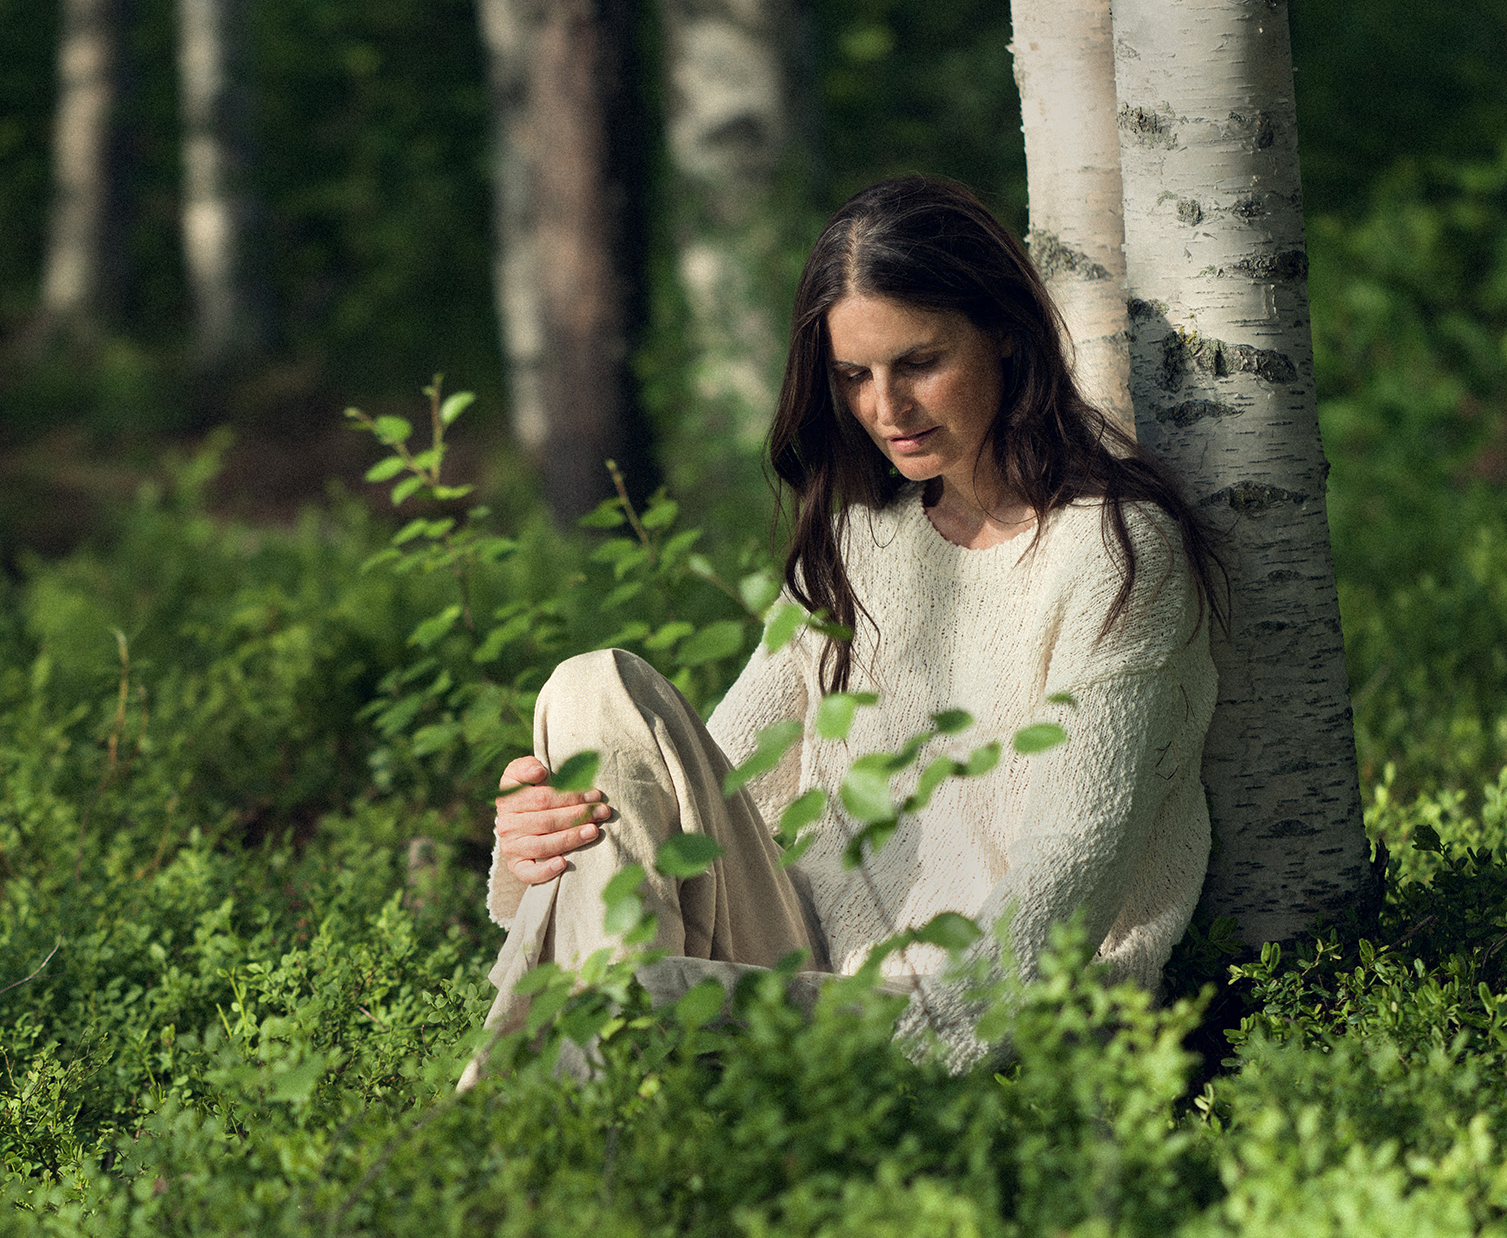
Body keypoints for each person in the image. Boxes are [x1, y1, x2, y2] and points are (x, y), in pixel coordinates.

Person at [469, 176, 1224, 1078]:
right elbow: (705, 796)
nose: (886, 409)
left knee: (623, 992)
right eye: (853, 376)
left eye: (918, 363)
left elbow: (1068, 875)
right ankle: (611, 1085)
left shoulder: (1110, 552)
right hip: (795, 957)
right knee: (593, 688)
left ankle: (570, 1125)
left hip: (958, 1020)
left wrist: (886, 1058)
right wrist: (535, 847)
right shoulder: (858, 538)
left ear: (1008, 334)